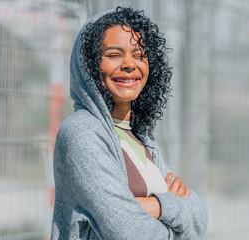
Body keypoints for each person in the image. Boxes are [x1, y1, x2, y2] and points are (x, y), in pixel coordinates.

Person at [51, 7, 208, 240]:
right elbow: (131, 232)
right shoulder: (81, 134)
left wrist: (157, 206)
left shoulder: (140, 136)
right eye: (114, 55)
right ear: (90, 66)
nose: (129, 64)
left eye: (139, 54)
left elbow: (200, 215)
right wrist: (175, 214)